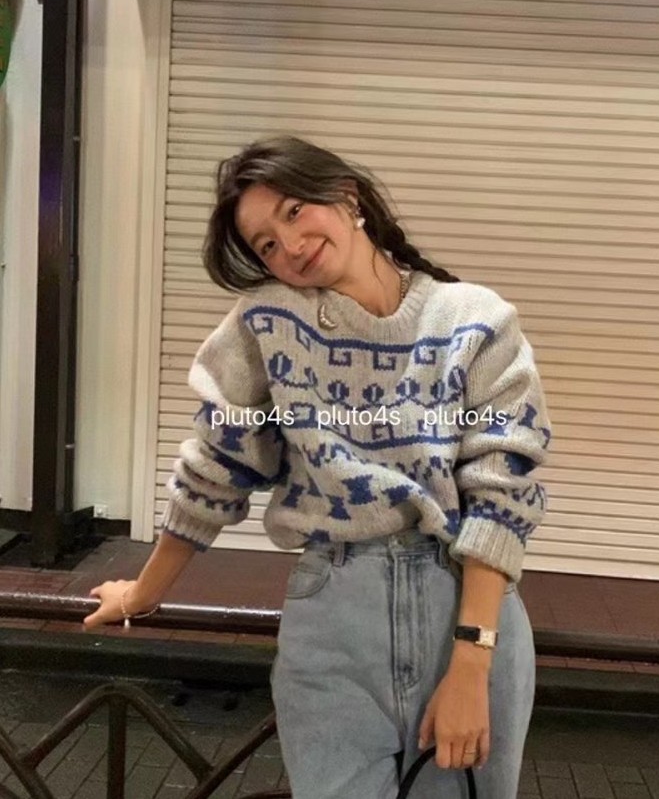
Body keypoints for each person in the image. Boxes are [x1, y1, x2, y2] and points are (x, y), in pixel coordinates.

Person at [84, 136, 552, 799]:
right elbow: (215, 466)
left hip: (464, 606)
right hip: (335, 611)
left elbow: (501, 491)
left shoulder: (475, 319)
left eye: (295, 211)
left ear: (347, 197)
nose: (291, 246)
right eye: (267, 244)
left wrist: (472, 664)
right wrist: (142, 593)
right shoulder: (267, 324)